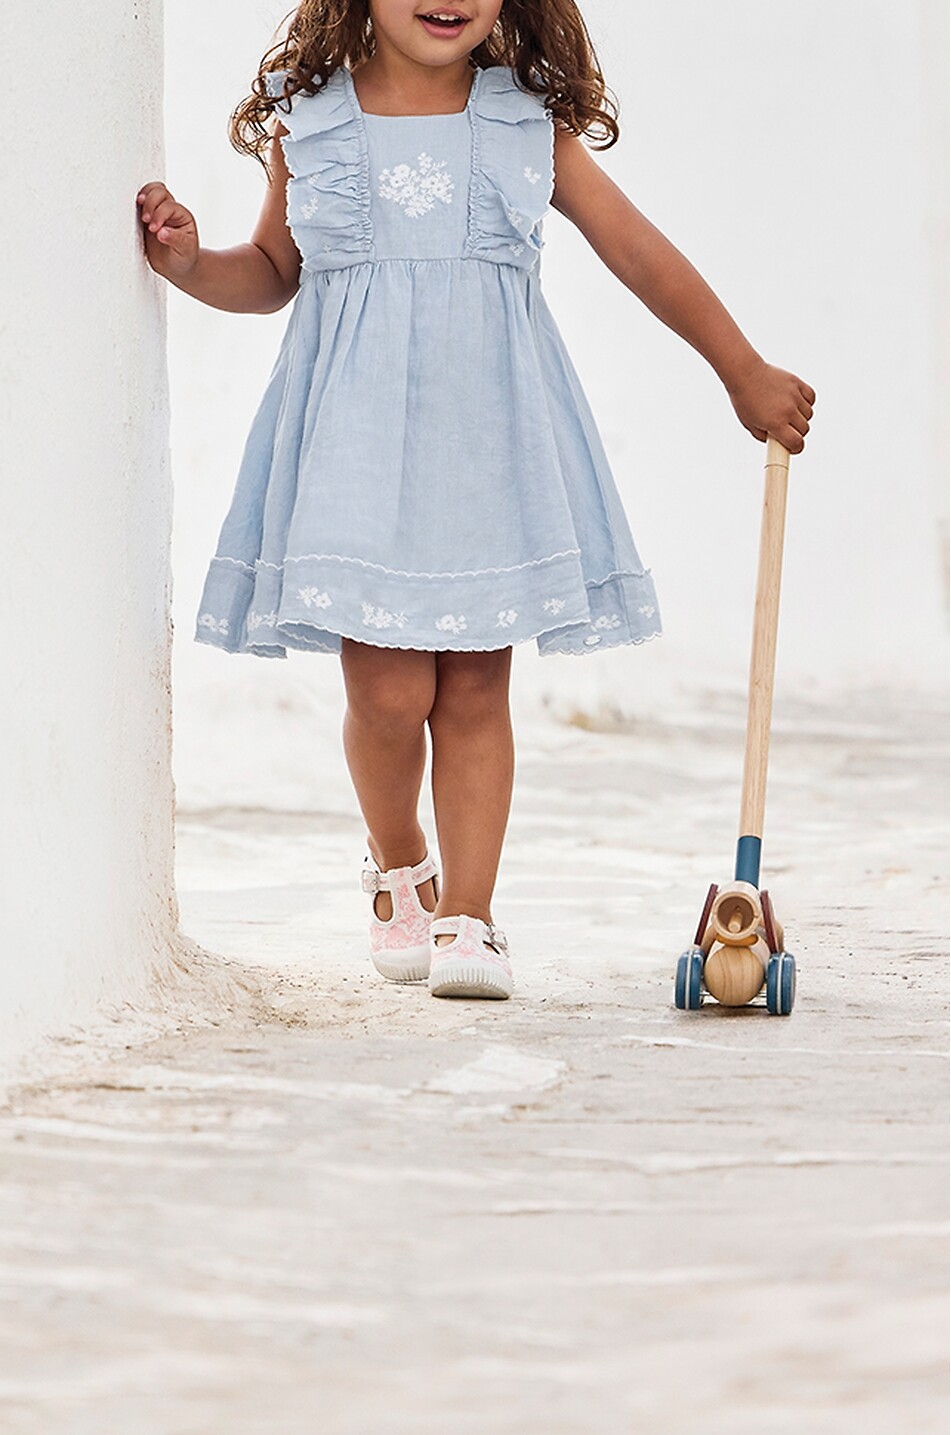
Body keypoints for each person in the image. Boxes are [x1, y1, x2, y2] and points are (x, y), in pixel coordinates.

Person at [137, 0, 814, 1002]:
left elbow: (639, 253)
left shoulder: (520, 123)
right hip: (357, 449)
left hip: (485, 446)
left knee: (472, 694)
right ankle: (403, 861)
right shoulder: (315, 120)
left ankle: (471, 915)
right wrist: (192, 264)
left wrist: (740, 368)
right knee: (389, 694)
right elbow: (276, 270)